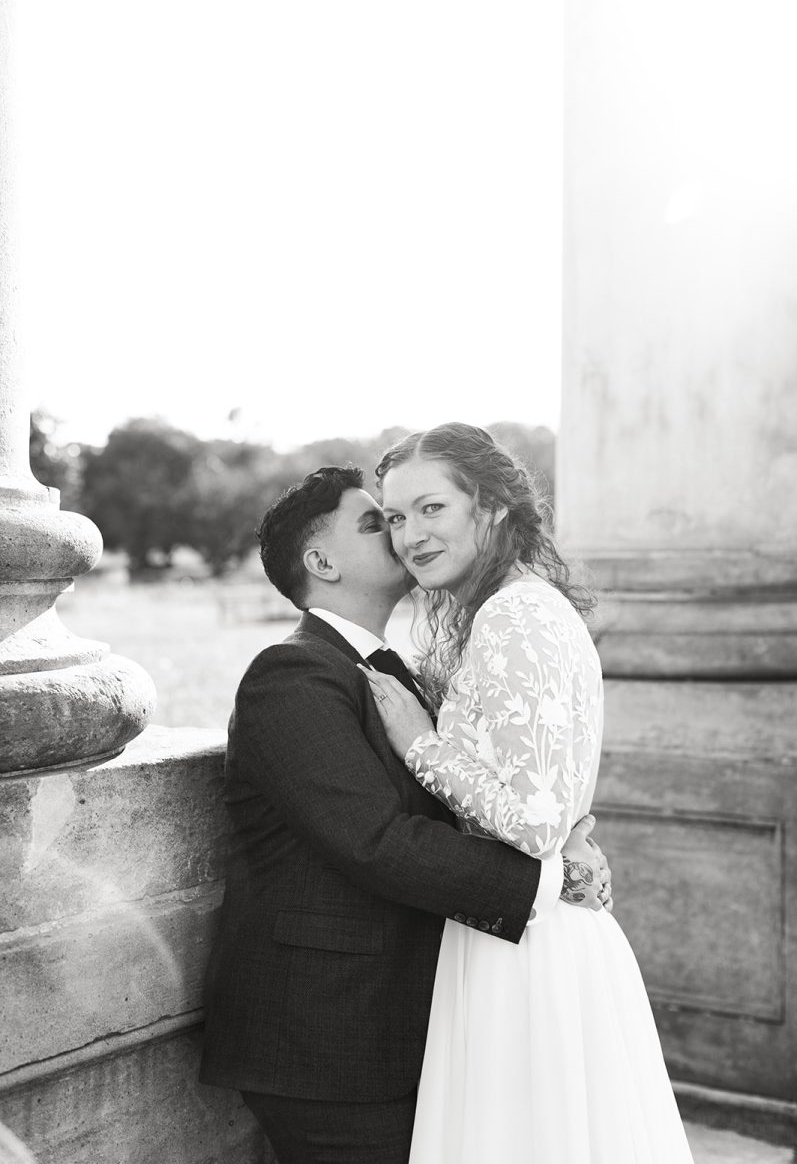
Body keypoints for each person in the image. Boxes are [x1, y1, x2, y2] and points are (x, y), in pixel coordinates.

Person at [200, 464, 611, 1164]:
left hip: (394, 1023)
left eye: (402, 517)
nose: (401, 535)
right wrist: (550, 876)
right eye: (376, 522)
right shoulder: (292, 675)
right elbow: (376, 841)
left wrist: (561, 824)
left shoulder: (395, 671)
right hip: (327, 1039)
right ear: (321, 562)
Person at [364, 423, 695, 1164]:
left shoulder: (516, 614)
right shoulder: (515, 607)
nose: (409, 535)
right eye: (393, 517)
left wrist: (419, 742)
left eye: (430, 509)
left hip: (529, 949)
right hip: (519, 928)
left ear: (490, 507)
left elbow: (538, 822)